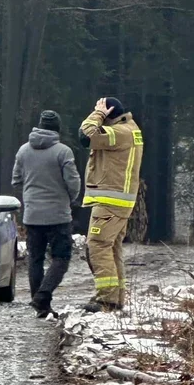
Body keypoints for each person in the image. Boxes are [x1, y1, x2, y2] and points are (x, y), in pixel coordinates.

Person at [12, 110, 82, 317]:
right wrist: (70, 199)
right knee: (61, 257)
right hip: (58, 215)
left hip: (32, 214)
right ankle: (43, 296)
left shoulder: (23, 151)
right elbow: (73, 182)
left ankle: (40, 307)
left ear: (39, 126)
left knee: (35, 259)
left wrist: (30, 194)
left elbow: (16, 180)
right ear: (57, 128)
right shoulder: (63, 151)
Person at [78, 97, 143, 313]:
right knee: (112, 248)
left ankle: (106, 299)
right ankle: (116, 298)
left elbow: (86, 134)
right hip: (119, 201)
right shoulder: (130, 129)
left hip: (110, 201)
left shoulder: (119, 132)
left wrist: (97, 113)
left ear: (109, 115)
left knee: (97, 245)